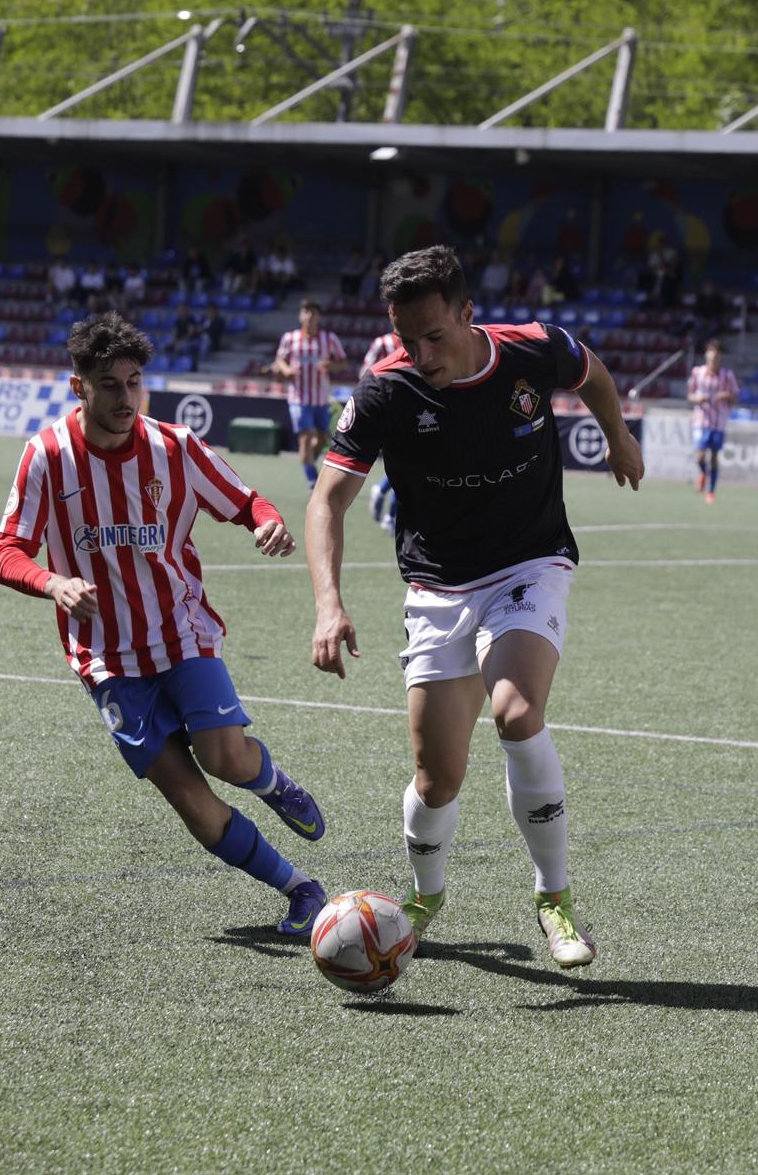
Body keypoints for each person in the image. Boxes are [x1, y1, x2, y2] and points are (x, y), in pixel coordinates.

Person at [304, 245, 643, 969]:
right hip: (437, 586)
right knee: (437, 777)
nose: (420, 352)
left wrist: (618, 435)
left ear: (466, 313)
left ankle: (553, 897)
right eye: (406, 338)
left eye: (434, 334)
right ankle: (426, 895)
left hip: (530, 562)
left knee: (517, 711)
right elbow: (326, 500)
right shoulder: (384, 393)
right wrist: (328, 604)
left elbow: (594, 374)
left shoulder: (533, 350)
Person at [0, 312, 328, 937]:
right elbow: (7, 551)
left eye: (134, 382)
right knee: (192, 804)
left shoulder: (174, 447)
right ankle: (301, 889)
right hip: (106, 660)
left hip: (181, 631)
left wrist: (266, 522)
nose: (125, 397)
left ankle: (275, 782)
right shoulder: (47, 457)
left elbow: (247, 500)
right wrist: (54, 583)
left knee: (224, 757)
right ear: (78, 387)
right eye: (109, 384)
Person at [270, 299, 346, 488]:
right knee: (305, 437)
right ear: (300, 315)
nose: (310, 315)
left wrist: (331, 365)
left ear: (319, 316)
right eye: (306, 311)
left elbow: (343, 363)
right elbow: (279, 360)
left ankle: (308, 462)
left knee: (322, 439)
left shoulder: (329, 339)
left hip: (321, 398)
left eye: (313, 312)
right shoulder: (290, 338)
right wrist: (286, 369)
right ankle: (312, 479)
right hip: (298, 398)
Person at [360, 328, 405, 532]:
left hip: (411, 409)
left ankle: (383, 491)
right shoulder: (382, 343)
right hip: (390, 411)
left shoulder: (419, 339)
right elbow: (364, 373)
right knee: (407, 466)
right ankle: (390, 515)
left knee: (406, 465)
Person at [686, 337, 739, 503]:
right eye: (711, 352)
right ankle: (703, 472)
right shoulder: (697, 372)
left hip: (719, 422)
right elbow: (690, 395)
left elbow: (734, 397)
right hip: (701, 420)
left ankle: (711, 491)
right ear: (706, 354)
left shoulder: (727, 375)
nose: (713, 356)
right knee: (700, 457)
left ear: (720, 355)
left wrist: (727, 396)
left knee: (714, 457)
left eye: (716, 353)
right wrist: (698, 398)